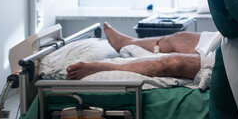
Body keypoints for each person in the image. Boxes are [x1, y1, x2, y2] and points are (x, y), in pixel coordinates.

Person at [65, 22, 204, 80]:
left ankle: (106, 67)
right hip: (223, 42)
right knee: (181, 38)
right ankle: (127, 43)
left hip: (224, 59)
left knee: (173, 62)